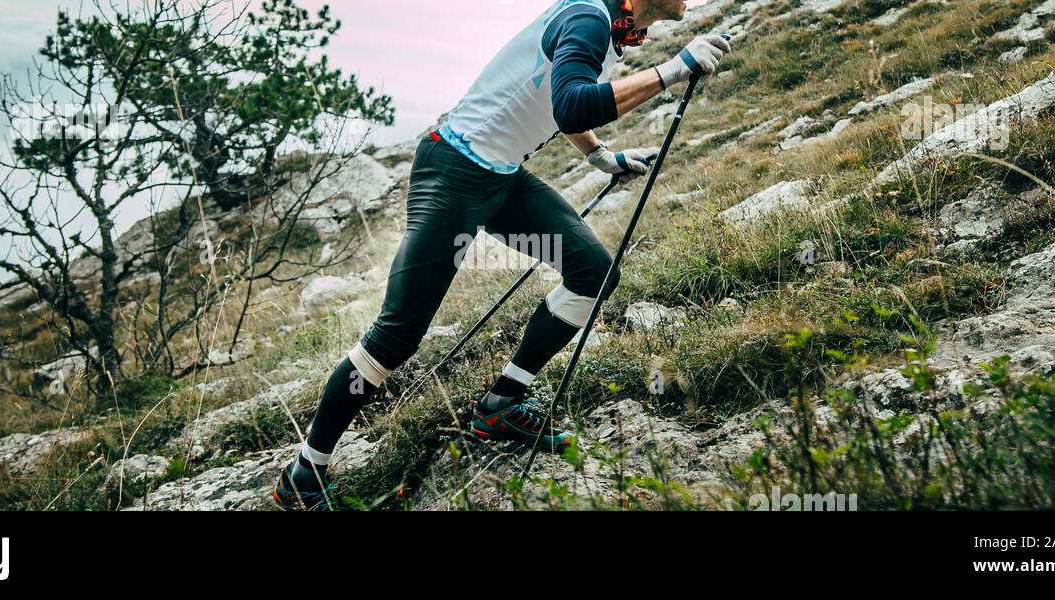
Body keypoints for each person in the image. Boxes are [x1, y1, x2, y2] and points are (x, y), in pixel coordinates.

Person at [274, 0, 732, 510]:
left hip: (501, 176)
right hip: (453, 172)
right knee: (398, 334)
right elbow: (574, 104)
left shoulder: (606, 26)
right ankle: (304, 472)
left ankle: (500, 404)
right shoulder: (589, 19)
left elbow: (556, 100)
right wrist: (675, 70)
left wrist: (600, 155)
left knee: (594, 274)